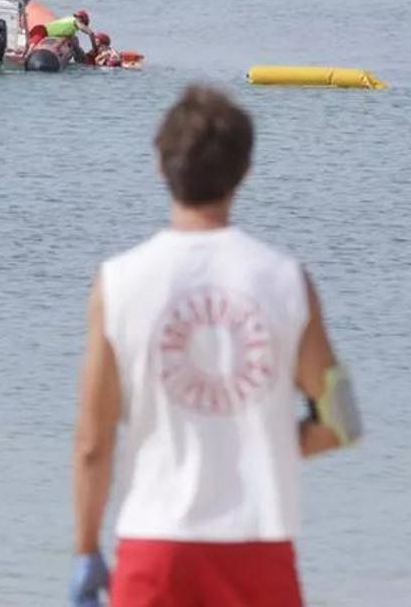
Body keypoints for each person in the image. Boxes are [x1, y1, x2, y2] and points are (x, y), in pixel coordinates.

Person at [69, 85, 363, 607]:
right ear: (243, 172)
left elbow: (93, 441)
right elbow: (341, 422)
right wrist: (273, 440)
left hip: (154, 546)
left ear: (161, 166)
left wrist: (86, 548)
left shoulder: (118, 283)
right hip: (258, 544)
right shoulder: (285, 281)